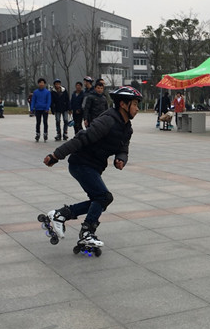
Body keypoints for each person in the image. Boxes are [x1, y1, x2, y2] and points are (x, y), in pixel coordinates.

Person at [42, 86, 143, 251]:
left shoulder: (127, 128)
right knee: (103, 197)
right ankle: (86, 232)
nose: (137, 109)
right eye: (135, 104)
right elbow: (81, 138)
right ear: (123, 104)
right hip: (81, 163)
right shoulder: (108, 121)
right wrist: (56, 155)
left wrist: (121, 159)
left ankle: (60, 215)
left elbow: (123, 149)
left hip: (94, 166)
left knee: (100, 200)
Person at [31, 78, 52, 142]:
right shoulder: (35, 92)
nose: (41, 84)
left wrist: (47, 108)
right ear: (38, 84)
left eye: (42, 83)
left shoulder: (47, 92)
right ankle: (37, 133)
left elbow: (49, 100)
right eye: (40, 83)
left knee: (45, 122)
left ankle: (45, 133)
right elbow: (33, 100)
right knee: (38, 122)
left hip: (45, 109)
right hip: (38, 109)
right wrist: (32, 108)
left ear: (44, 84)